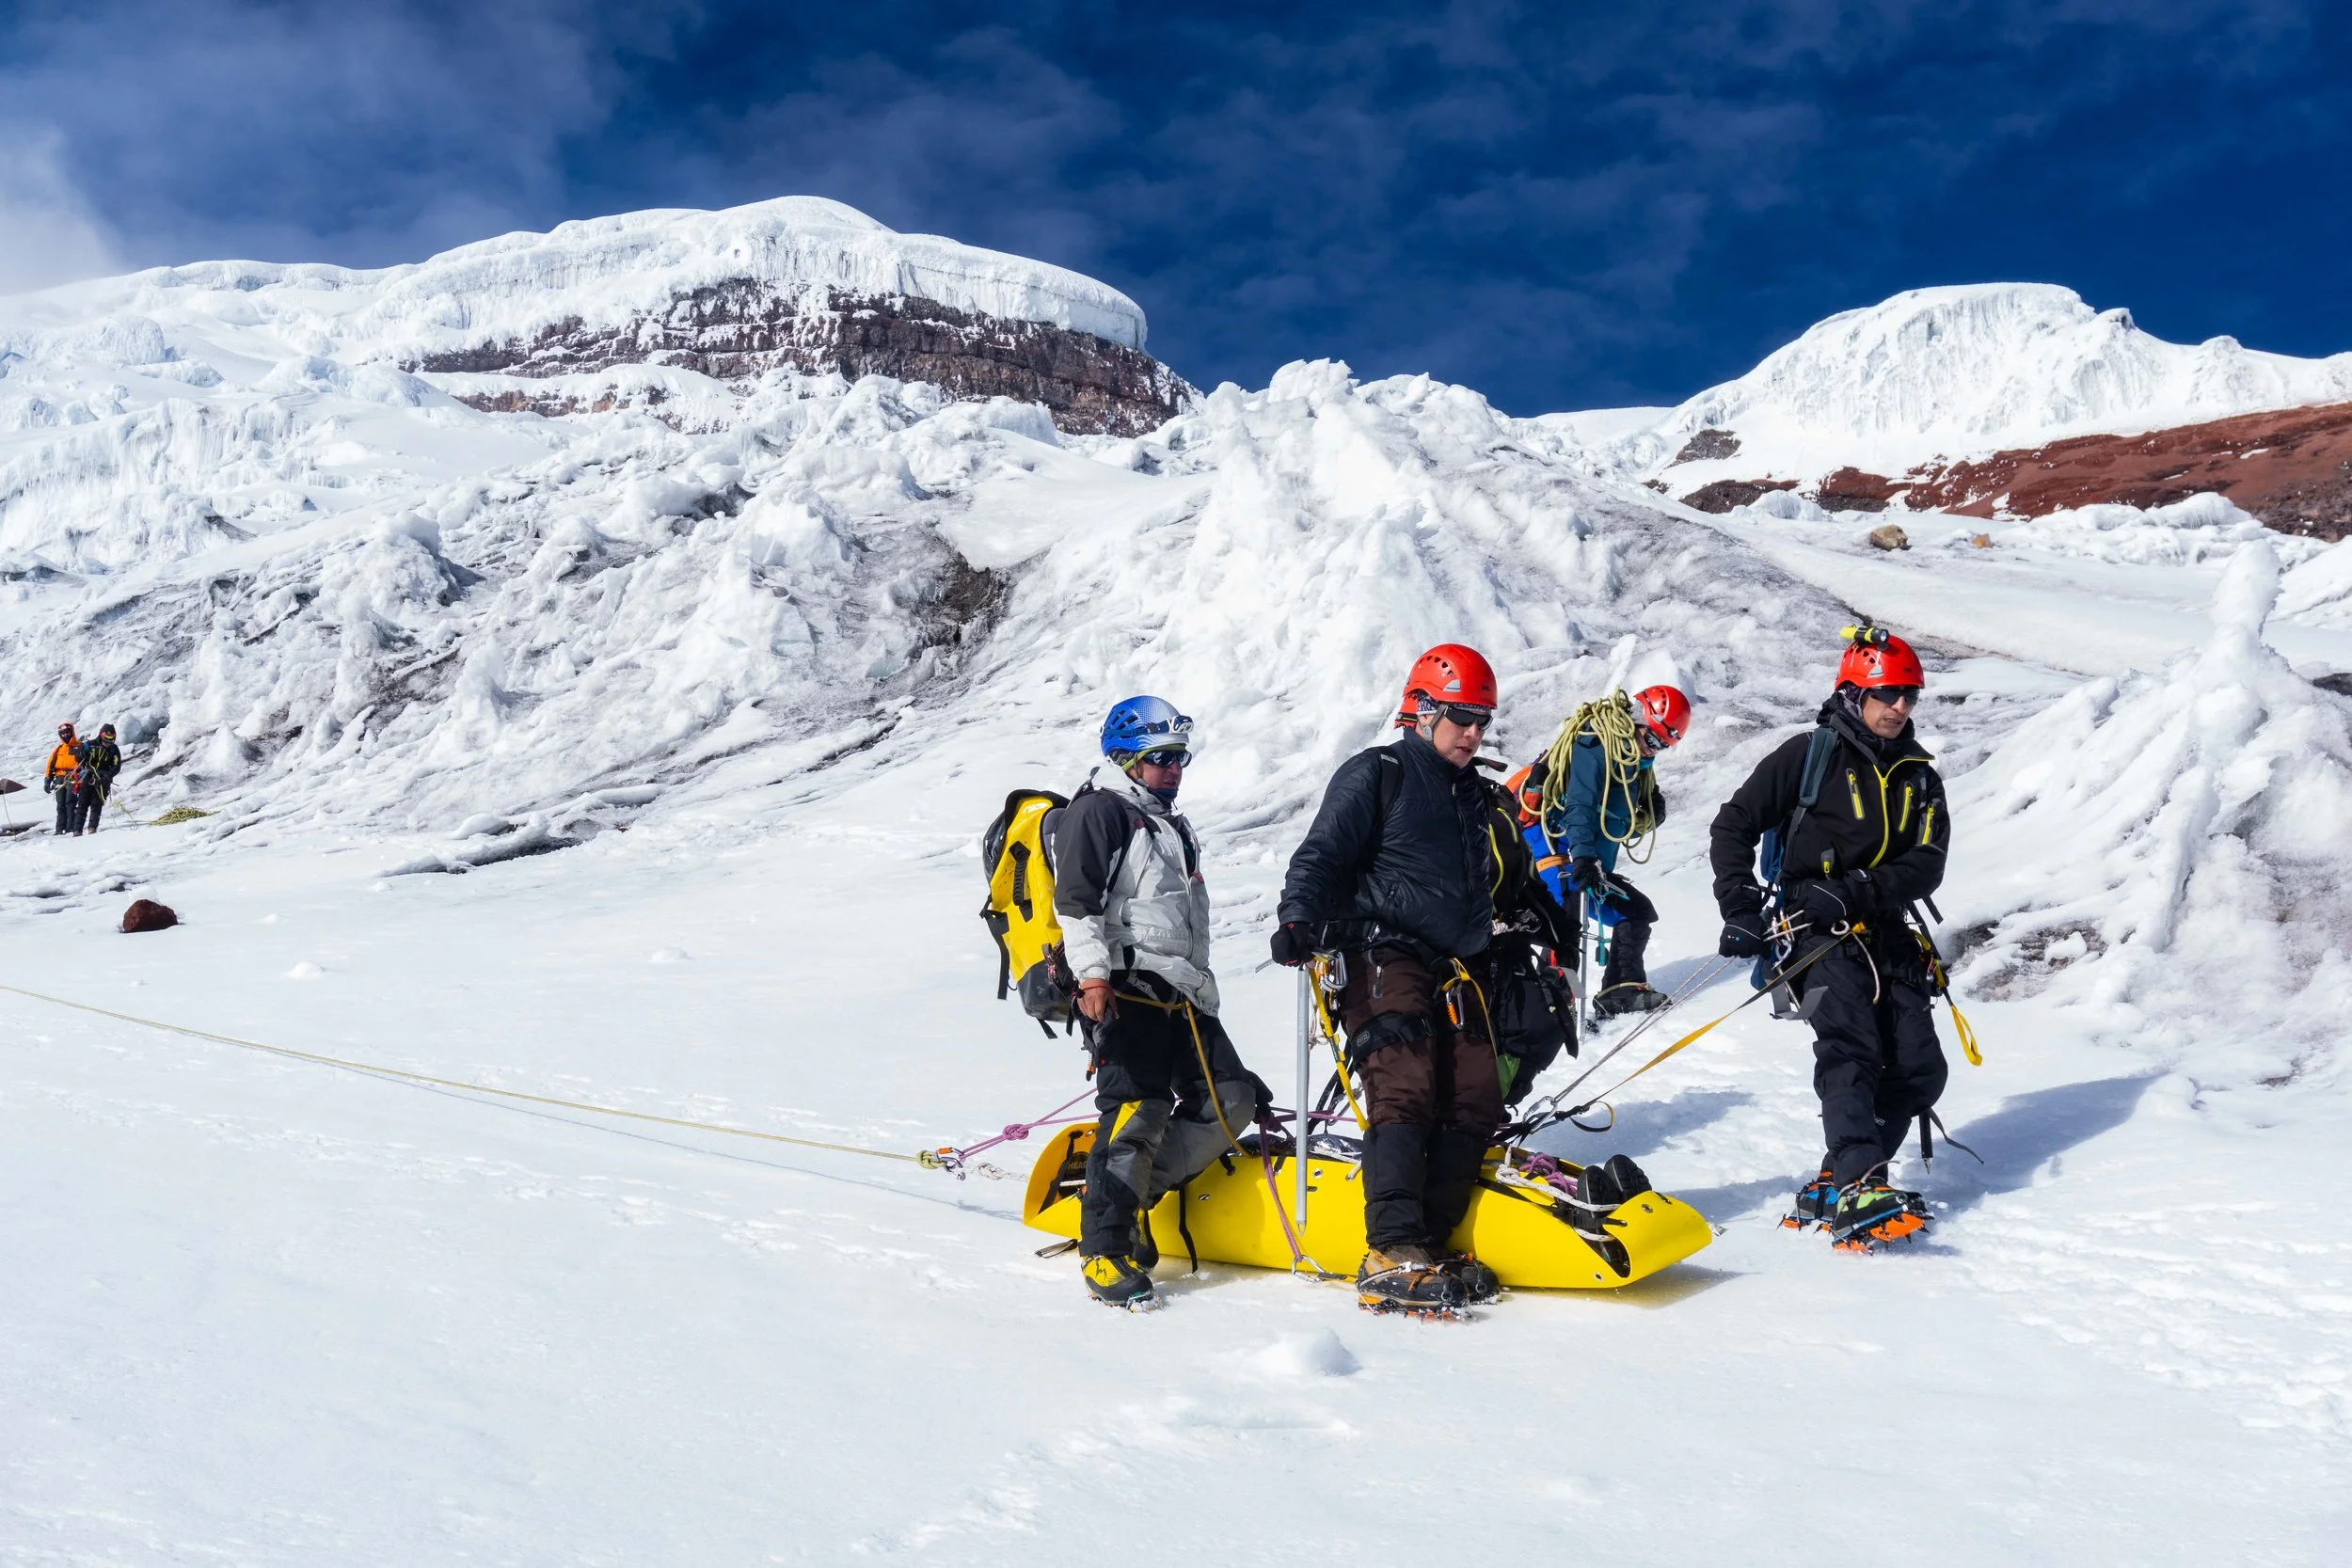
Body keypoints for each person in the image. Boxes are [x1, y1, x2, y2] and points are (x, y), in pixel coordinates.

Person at [1272, 644, 1521, 1314]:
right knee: (1405, 1085)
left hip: (1454, 965)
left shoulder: (1472, 793)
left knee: (1475, 1096)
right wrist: (1299, 918)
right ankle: (1389, 1247)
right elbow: (1322, 852)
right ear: (1424, 709)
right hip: (1381, 953)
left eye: (1483, 721)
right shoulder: (1377, 771)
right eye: (1463, 717)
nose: (1474, 733)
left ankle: (1428, 1244)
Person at [1708, 626, 1950, 1251]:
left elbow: (1928, 863)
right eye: (1888, 692)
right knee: (1851, 1049)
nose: (1899, 706)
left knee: (1920, 1069)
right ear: (1853, 691)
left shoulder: (1920, 776)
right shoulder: (1808, 754)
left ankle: (1837, 1175)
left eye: (1909, 695)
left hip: (1885, 931)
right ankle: (1860, 1181)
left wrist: (1860, 888)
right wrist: (1739, 907)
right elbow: (1733, 824)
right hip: (1811, 933)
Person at [1057, 695, 1261, 1310]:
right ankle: (1104, 1246)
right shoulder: (1099, 812)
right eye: (1161, 758)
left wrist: (1202, 991)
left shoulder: (1171, 826)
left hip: (1182, 992)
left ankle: (1139, 1195)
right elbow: (1077, 903)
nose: (1174, 769)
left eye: (1179, 758)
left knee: (1232, 1100)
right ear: (1126, 759)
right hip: (1125, 987)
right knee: (1136, 1110)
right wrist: (1092, 978)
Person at [1518, 686, 1692, 1017]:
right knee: (1565, 919)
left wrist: (1648, 816)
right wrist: (1582, 856)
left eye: (1661, 746)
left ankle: (1620, 991)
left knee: (1635, 911)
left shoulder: (1635, 763)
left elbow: (1618, 817)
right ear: (1640, 719)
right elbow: (1580, 805)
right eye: (1652, 740)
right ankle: (1553, 1003)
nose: (1652, 751)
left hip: (1586, 852)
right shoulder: (1595, 743)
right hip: (1557, 842)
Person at [77, 723, 122, 833]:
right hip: (88, 776)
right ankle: (77, 830)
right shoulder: (90, 745)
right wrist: (83, 753)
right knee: (83, 804)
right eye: (106, 739)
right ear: (101, 736)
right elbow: (78, 758)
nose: (108, 742)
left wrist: (108, 775)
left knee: (96, 805)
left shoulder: (114, 749)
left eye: (111, 739)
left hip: (103, 779)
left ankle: (92, 828)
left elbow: (117, 766)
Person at [44, 723, 85, 836]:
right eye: (63, 733)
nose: (65, 735)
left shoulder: (80, 747)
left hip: (73, 777)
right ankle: (59, 829)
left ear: (72, 732)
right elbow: (50, 765)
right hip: (59, 778)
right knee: (60, 804)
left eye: (67, 732)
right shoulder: (58, 749)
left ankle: (70, 827)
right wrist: (48, 779)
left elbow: (86, 764)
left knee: (70, 803)